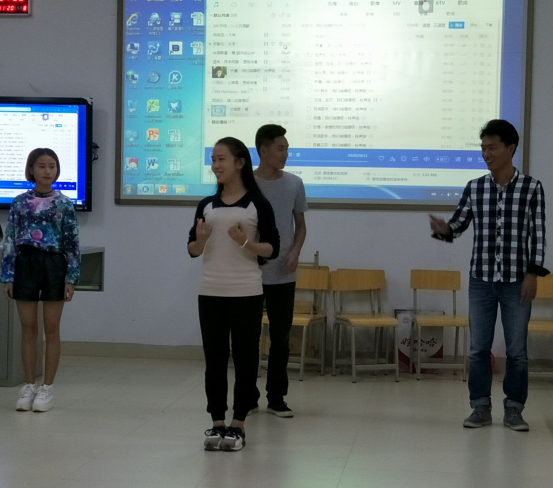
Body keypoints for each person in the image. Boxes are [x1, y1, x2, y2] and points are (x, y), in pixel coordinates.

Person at [430, 120, 548, 432]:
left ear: (511, 149)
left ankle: (514, 409)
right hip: (481, 280)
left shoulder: (532, 188)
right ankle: (480, 407)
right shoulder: (475, 187)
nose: (486, 154)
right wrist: (443, 229)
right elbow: (458, 225)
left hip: (516, 281)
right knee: (478, 349)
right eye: (483, 148)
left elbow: (538, 235)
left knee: (517, 351)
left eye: (492, 147)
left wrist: (533, 273)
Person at [188, 137, 279, 451]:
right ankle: (217, 423)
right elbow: (193, 250)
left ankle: (238, 424)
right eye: (213, 159)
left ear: (240, 163)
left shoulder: (258, 204)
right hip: (210, 291)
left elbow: (272, 248)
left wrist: (245, 242)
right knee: (214, 360)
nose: (215, 165)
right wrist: (201, 240)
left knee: (245, 359)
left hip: (246, 292)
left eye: (221, 159)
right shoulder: (206, 205)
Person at [1, 148, 80, 412]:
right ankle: (29, 386)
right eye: (42, 166)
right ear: (31, 169)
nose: (47, 171)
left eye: (52, 166)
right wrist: (8, 275)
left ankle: (47, 388)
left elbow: (72, 242)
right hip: (25, 264)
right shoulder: (19, 202)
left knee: (51, 329)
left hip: (54, 265)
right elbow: (10, 239)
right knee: (28, 329)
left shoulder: (64, 203)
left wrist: (71, 277)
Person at [252, 124, 308, 418]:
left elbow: (301, 227)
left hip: (283, 273)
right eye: (281, 148)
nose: (286, 154)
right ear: (264, 150)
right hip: (249, 273)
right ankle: (247, 398)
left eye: (287, 148)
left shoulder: (294, 184)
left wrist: (295, 253)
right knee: (248, 339)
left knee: (281, 338)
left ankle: (276, 397)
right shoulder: (245, 183)